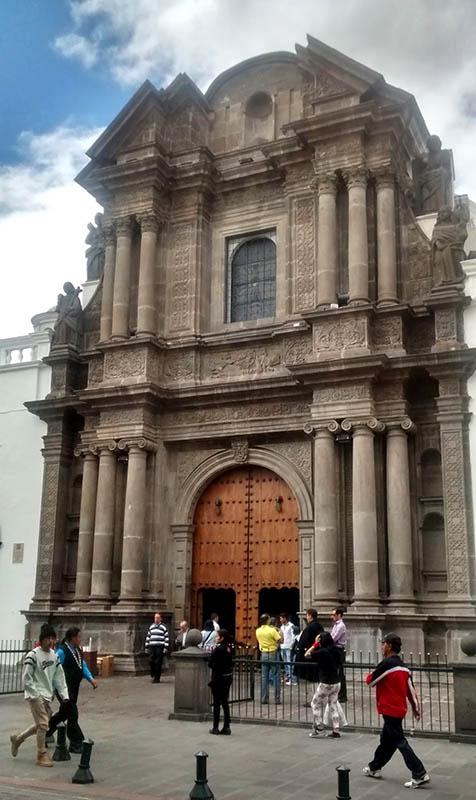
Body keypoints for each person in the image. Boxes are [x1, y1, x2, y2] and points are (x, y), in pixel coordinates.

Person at [363, 633, 430, 789]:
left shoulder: (387, 664)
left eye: (383, 643)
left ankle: (419, 773)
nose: (381, 646)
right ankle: (374, 767)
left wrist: (372, 674)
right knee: (387, 741)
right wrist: (416, 708)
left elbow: (370, 681)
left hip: (389, 709)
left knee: (399, 741)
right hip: (399, 709)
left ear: (389, 646)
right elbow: (411, 690)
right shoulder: (404, 667)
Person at [10, 624, 69, 768]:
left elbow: (59, 677)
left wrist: (64, 694)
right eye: (48, 638)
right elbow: (27, 677)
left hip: (47, 695)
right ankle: (41, 754)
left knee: (41, 725)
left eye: (53, 638)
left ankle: (18, 739)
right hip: (35, 695)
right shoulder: (33, 655)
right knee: (43, 724)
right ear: (42, 639)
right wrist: (35, 694)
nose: (51, 641)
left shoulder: (54, 656)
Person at [46, 627, 97, 753]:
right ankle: (76, 742)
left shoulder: (77, 651)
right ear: (72, 638)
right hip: (63, 688)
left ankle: (46, 732)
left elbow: (82, 666)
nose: (80, 639)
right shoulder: (62, 652)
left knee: (64, 713)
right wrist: (51, 689)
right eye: (78, 637)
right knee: (72, 713)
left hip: (74, 687)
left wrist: (91, 679)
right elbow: (53, 669)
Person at [305, 631, 345, 738]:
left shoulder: (322, 652)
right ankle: (336, 730)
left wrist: (315, 644)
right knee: (333, 705)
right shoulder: (336, 650)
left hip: (325, 682)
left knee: (314, 703)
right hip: (336, 682)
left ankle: (319, 726)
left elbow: (307, 655)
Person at [208, 629, 234, 735]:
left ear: (222, 638)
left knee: (217, 703)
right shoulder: (229, 648)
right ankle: (227, 726)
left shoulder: (218, 649)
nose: (216, 638)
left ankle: (215, 727)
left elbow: (211, 663)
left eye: (217, 636)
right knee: (225, 702)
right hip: (227, 677)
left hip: (218, 678)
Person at [294, 609, 324, 691]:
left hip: (310, 653)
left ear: (310, 615)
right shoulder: (319, 625)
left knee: (313, 677)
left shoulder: (311, 627)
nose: (306, 617)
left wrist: (299, 649)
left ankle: (315, 699)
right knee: (315, 677)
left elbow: (304, 640)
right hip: (316, 652)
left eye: (307, 615)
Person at [255, 614, 281, 704]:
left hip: (263, 654)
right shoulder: (272, 630)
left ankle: (264, 698)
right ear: (267, 620)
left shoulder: (258, 630)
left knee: (264, 677)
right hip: (273, 652)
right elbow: (280, 640)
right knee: (276, 675)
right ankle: (277, 699)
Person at [144, 613, 169, 683]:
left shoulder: (164, 627)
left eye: (158, 618)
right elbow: (148, 636)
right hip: (152, 646)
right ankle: (153, 673)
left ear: (160, 619)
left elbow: (166, 637)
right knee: (151, 660)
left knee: (158, 662)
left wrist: (165, 647)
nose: (156, 619)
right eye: (155, 618)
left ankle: (157, 678)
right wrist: (146, 646)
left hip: (160, 646)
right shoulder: (151, 626)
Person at [330, 608, 347, 703]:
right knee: (337, 673)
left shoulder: (340, 626)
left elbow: (334, 638)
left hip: (339, 650)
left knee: (340, 673)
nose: (332, 616)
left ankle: (342, 695)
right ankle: (337, 693)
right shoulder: (336, 625)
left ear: (339, 615)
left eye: (334, 615)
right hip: (335, 649)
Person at [279, 612, 297, 686]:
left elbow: (294, 636)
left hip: (289, 647)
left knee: (290, 663)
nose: (280, 620)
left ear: (284, 618)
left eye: (281, 618)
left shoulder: (291, 625)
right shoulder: (281, 627)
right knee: (285, 663)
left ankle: (292, 679)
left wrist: (291, 645)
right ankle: (288, 677)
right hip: (282, 646)